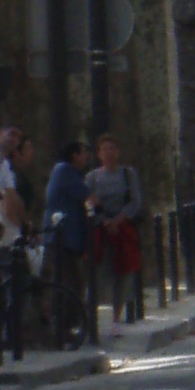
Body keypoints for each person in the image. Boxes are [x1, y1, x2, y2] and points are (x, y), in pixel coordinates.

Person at [84, 131, 145, 324]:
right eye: (104, 149)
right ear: (99, 154)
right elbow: (88, 202)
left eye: (112, 148)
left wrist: (119, 220)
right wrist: (103, 221)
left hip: (123, 228)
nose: (108, 153)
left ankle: (117, 316)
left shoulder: (128, 174)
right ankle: (90, 316)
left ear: (118, 152)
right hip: (100, 229)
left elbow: (136, 201)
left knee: (123, 271)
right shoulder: (92, 178)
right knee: (98, 272)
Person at [42, 137, 91, 345]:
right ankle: (59, 329)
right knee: (69, 285)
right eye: (83, 153)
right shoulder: (65, 171)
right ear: (74, 155)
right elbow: (87, 196)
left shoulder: (68, 173)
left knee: (72, 284)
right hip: (61, 240)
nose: (86, 157)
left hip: (68, 240)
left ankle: (64, 328)